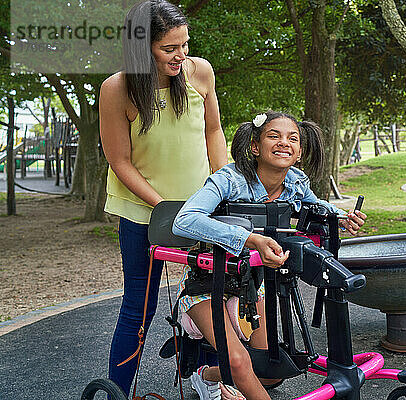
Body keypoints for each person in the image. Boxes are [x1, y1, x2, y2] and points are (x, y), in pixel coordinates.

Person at [172, 111, 367, 400]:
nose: (283, 143)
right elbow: (184, 220)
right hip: (206, 284)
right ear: (255, 147)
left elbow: (314, 205)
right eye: (273, 136)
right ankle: (226, 372)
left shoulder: (297, 182)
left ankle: (206, 376)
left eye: (292, 138)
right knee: (239, 362)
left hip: (252, 285)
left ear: (299, 152)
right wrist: (250, 239)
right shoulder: (229, 179)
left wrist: (340, 217)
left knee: (270, 370)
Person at [99, 0, 227, 396]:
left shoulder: (199, 72)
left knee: (214, 297)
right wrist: (164, 208)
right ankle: (118, 390)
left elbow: (213, 132)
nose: (181, 55)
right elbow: (119, 159)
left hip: (202, 208)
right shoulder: (117, 88)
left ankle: (208, 380)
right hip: (144, 212)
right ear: (142, 47)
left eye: (184, 44)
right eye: (169, 48)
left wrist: (221, 185)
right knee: (140, 305)